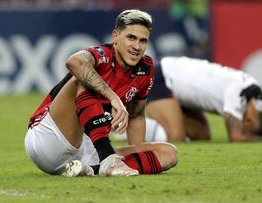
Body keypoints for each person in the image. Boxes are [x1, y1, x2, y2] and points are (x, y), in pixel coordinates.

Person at [24, 9, 178, 177]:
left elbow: (136, 115)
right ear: (115, 37)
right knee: (82, 80)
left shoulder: (145, 69)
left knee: (168, 152)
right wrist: (114, 98)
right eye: (131, 37)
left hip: (87, 150)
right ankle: (108, 159)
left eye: (143, 41)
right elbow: (74, 62)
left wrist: (137, 152)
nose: (137, 46)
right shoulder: (101, 55)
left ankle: (90, 170)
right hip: (49, 139)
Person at [145, 56, 262, 143]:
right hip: (163, 77)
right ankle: (132, 125)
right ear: (248, 121)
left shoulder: (255, 100)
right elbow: (236, 137)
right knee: (175, 136)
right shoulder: (238, 93)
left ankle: (148, 124)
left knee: (202, 136)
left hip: (181, 89)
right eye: (246, 128)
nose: (244, 130)